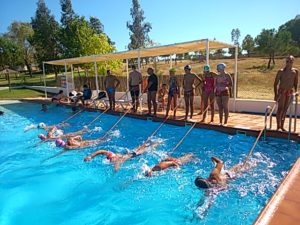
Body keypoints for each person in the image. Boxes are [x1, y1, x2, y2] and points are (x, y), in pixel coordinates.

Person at [84, 141, 162, 171]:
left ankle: (157, 143)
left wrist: (115, 171)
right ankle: (152, 143)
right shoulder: (112, 156)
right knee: (140, 148)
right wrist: (90, 156)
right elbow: (101, 151)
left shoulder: (115, 160)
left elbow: (117, 167)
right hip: (129, 154)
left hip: (131, 155)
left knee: (146, 149)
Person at [274, 55, 298, 131]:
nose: (289, 63)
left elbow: (296, 83)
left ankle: (282, 126)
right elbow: (275, 84)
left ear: (293, 62)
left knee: (285, 109)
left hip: (289, 92)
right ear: (286, 62)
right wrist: (276, 95)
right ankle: (278, 126)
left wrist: (296, 90)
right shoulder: (281, 71)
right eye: (287, 61)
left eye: (291, 61)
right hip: (282, 92)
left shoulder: (295, 72)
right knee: (280, 109)